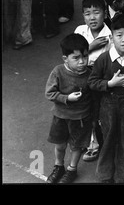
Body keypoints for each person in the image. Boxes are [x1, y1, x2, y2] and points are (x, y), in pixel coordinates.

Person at [87, 15, 124, 183]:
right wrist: (110, 83)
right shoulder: (104, 59)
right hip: (108, 107)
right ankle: (105, 174)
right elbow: (92, 82)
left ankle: (122, 176)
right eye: (119, 35)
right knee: (108, 140)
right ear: (111, 37)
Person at [45, 33, 93, 184]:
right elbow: (50, 93)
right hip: (60, 116)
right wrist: (66, 98)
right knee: (60, 145)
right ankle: (59, 166)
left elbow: (93, 97)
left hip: (80, 118)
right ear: (65, 59)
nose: (82, 62)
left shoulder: (90, 74)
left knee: (77, 146)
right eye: (76, 58)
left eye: (85, 56)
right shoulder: (58, 71)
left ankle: (72, 169)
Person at [74, 0, 112, 162]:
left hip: (99, 78)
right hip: (80, 77)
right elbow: (73, 56)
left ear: (105, 13)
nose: (92, 17)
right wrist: (90, 47)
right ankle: (91, 144)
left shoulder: (109, 35)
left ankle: (99, 145)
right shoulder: (80, 31)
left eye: (96, 12)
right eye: (87, 13)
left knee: (98, 113)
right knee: (84, 112)